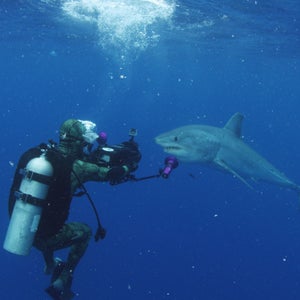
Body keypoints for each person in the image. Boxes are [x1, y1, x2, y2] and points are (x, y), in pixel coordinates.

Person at [6, 119, 141, 300]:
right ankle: (64, 276)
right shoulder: (78, 167)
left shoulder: (42, 155)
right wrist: (128, 166)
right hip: (44, 236)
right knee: (84, 232)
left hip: (24, 227)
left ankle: (50, 264)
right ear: (80, 141)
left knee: (46, 219)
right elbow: (109, 174)